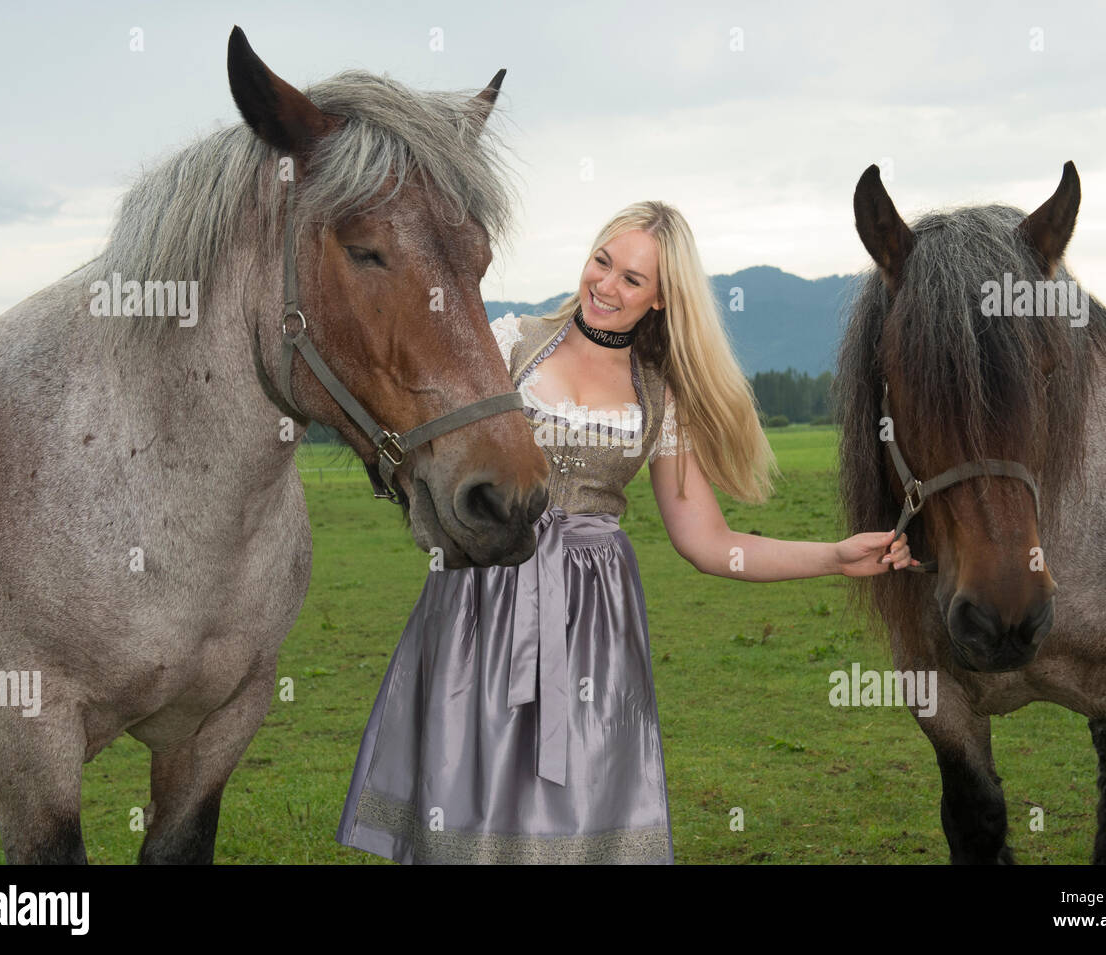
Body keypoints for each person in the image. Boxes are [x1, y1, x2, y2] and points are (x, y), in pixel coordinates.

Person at [335, 200, 915, 864]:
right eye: (602, 261)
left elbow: (705, 539)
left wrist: (835, 555)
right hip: (482, 598)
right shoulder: (508, 343)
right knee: (464, 799)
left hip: (591, 624)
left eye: (632, 280)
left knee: (577, 814)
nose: (606, 286)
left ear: (662, 299)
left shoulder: (662, 397)